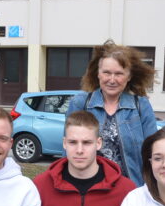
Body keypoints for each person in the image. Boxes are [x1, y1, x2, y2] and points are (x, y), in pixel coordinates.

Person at [66, 40, 157, 187]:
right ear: (98, 74)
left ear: (129, 76)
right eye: (107, 73)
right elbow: (68, 150)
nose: (112, 80)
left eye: (119, 74)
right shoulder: (80, 103)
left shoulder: (141, 106)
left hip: (131, 191)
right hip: (91, 189)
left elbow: (154, 152)